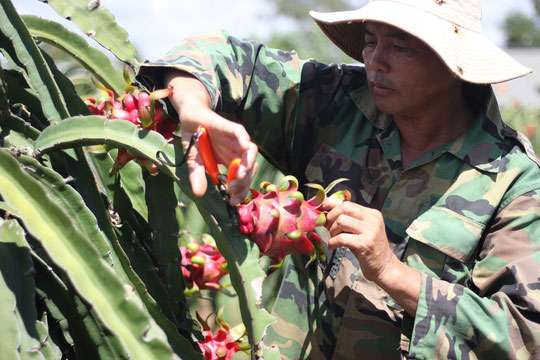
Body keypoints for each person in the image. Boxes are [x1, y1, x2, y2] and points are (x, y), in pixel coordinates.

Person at [137, 0, 540, 358]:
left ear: (455, 63)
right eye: (370, 40)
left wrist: (396, 275)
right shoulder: (334, 102)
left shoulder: (513, 182)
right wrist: (194, 104)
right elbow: (217, 54)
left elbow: (526, 337)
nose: (375, 61)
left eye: (400, 46)